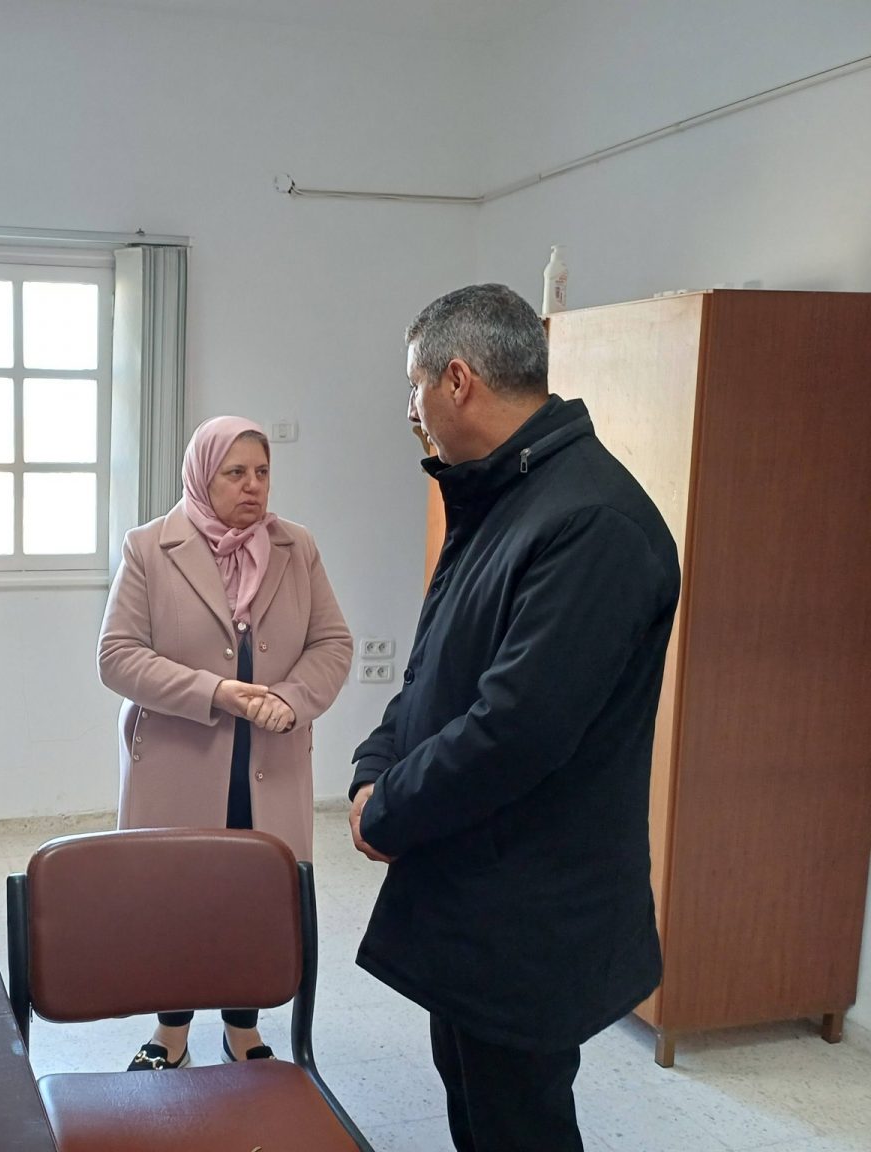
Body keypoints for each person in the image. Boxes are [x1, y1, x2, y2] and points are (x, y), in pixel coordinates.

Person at [347, 284, 680, 1151]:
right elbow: (436, 669)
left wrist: (388, 809)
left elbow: (516, 728)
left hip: (529, 910)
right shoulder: (505, 494)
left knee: (518, 1124)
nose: (412, 412)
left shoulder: (590, 521)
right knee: (474, 1101)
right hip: (472, 889)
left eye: (414, 387)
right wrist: (374, 766)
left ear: (457, 380)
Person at [99, 415, 353, 1070]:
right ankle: (171, 1032)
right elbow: (117, 657)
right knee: (176, 900)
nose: (253, 486)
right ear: (201, 477)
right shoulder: (149, 547)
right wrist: (215, 692)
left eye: (262, 472)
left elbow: (332, 644)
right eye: (235, 473)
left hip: (269, 763)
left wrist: (290, 699)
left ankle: (243, 1028)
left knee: (255, 901)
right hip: (180, 765)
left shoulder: (297, 547)